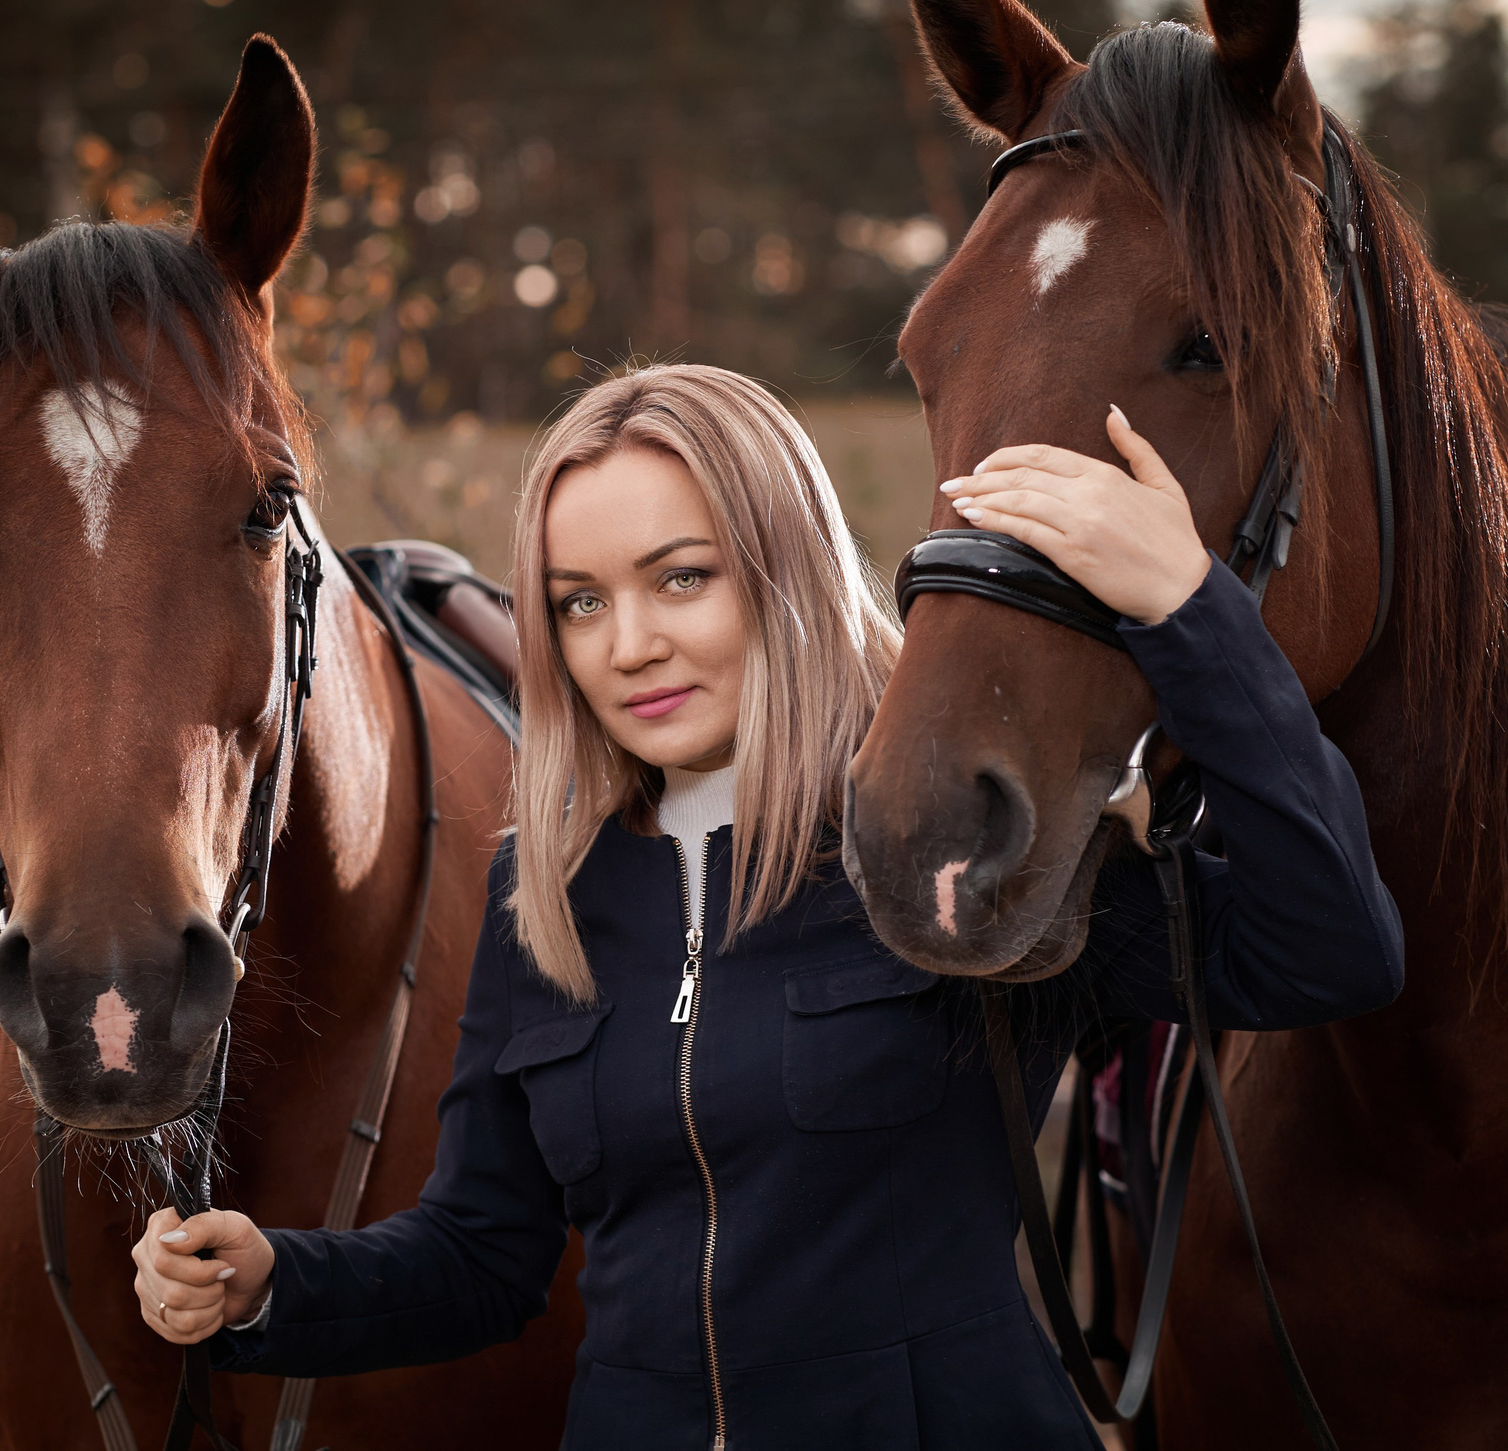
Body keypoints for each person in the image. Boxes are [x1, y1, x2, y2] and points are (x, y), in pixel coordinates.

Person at [130, 364, 1403, 1448]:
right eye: (579, 601)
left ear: (780, 568)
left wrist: (1193, 615)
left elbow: (1328, 952)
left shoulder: (943, 838)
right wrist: (267, 1283)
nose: (626, 644)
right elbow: (480, 1255)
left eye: (680, 579)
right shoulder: (546, 892)